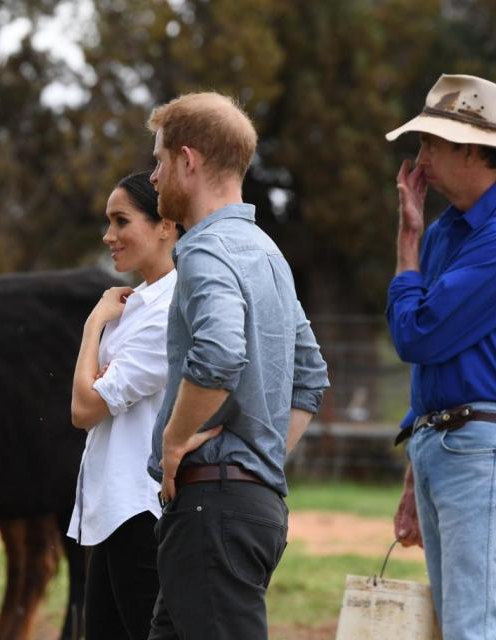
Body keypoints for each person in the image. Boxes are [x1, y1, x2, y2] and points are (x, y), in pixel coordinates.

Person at [144, 92, 329, 639]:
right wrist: (260, 459)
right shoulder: (267, 253)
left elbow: (220, 354)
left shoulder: (204, 252)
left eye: (157, 160)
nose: (152, 176)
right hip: (243, 508)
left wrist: (174, 443)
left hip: (213, 510)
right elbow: (311, 375)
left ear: (188, 160)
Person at [386, 74, 496, 639]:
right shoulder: (450, 230)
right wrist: (416, 469)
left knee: (472, 631)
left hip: (481, 445)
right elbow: (432, 360)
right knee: (459, 627)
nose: (421, 155)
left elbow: (416, 336)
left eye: (431, 142)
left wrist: (407, 243)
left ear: (467, 149)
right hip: (452, 440)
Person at [68, 170, 179, 639]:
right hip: (115, 509)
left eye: (121, 221)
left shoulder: (169, 309)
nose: (108, 236)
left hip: (141, 509)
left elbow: (84, 408)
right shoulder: (135, 303)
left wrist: (93, 324)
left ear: (165, 225)